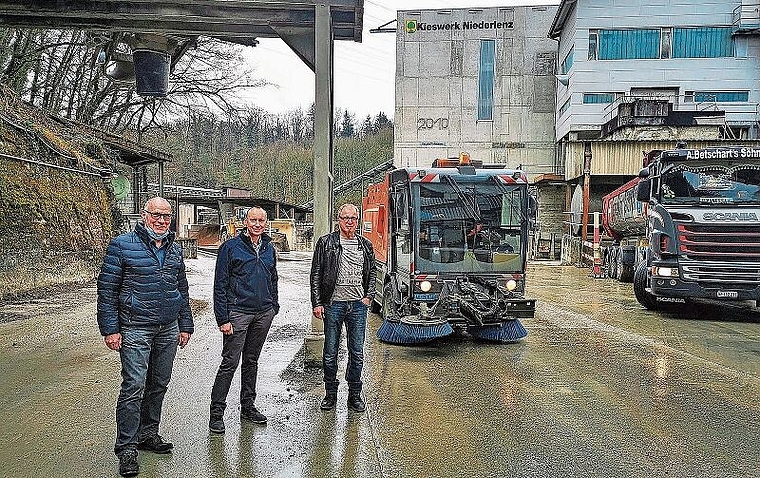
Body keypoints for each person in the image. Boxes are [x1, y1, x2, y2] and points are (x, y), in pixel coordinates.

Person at [97, 197, 193, 478]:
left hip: (167, 327)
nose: (162, 220)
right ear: (144, 214)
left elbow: (182, 289)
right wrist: (110, 329)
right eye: (156, 215)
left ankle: (148, 433)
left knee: (159, 383)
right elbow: (107, 291)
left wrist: (185, 325)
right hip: (134, 327)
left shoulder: (174, 249)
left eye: (167, 216)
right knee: (134, 385)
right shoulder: (122, 245)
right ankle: (127, 447)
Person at [209, 206, 279, 434]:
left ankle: (248, 407)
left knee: (252, 361)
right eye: (253, 220)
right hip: (238, 313)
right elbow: (220, 285)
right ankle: (216, 414)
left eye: (261, 220)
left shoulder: (269, 248)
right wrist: (223, 318)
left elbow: (273, 278)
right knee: (229, 363)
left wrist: (273, 306)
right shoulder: (230, 248)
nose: (257, 224)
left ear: (266, 222)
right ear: (245, 222)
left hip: (263, 313)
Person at [310, 203, 376, 412]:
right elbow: (316, 274)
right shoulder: (326, 243)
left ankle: (354, 395)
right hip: (333, 305)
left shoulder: (365, 245)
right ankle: (330, 395)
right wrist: (317, 302)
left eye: (353, 218)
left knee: (356, 353)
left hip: (358, 306)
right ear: (338, 219)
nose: (349, 221)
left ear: (358, 221)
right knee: (330, 352)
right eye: (345, 217)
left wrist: (368, 297)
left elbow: (372, 272)